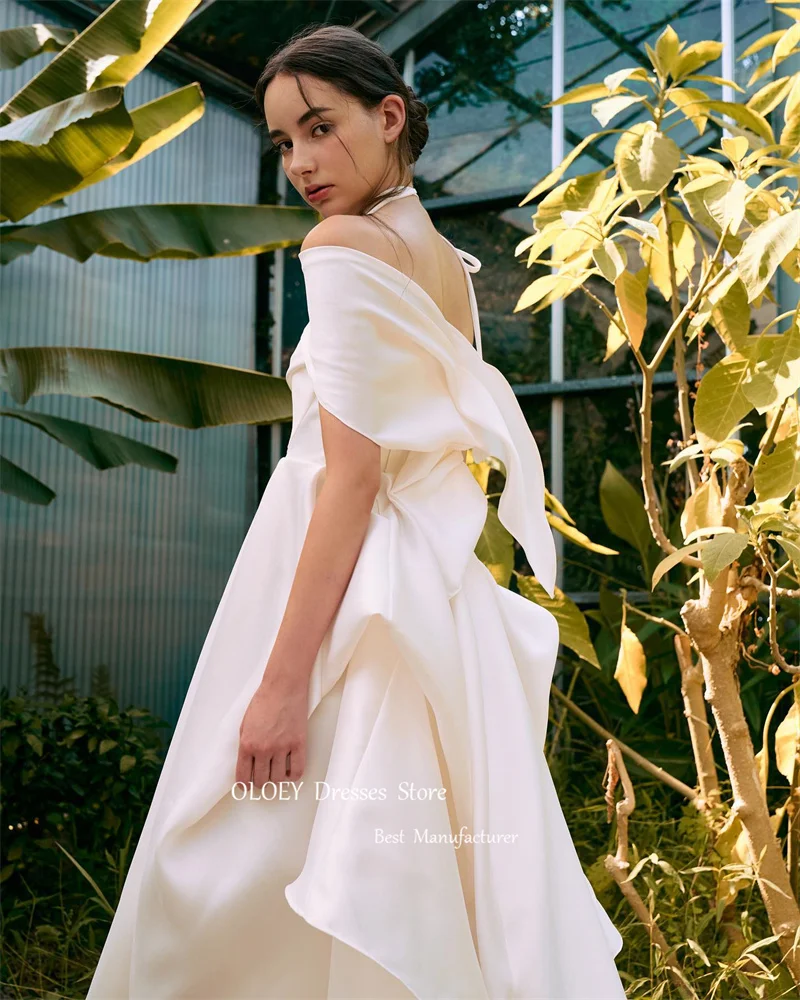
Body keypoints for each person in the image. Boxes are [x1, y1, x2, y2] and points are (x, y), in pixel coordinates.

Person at [86, 22, 627, 1000]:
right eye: (283, 141)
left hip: (348, 593)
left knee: (222, 869)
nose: (299, 162)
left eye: (318, 128)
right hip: (426, 596)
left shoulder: (343, 245)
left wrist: (280, 683)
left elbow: (347, 477)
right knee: (393, 870)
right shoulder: (443, 266)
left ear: (387, 117)